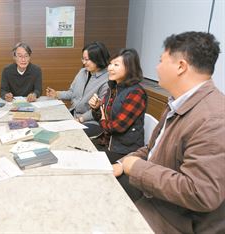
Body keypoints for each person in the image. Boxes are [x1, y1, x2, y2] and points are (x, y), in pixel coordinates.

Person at [113, 32, 225, 233]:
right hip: (155, 197)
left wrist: (136, 167)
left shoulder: (214, 119)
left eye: (160, 61)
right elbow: (151, 149)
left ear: (181, 66)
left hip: (174, 219)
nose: (156, 67)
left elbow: (200, 193)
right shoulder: (179, 101)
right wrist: (123, 163)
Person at [89, 48, 147, 164]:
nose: (110, 68)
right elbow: (103, 117)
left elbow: (117, 127)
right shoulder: (114, 87)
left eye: (116, 65)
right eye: (110, 64)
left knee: (87, 162)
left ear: (130, 68)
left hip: (124, 150)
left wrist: (103, 121)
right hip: (108, 141)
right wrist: (96, 109)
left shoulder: (136, 92)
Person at [46, 42, 110, 136]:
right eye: (83, 59)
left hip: (91, 122)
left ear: (98, 59)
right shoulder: (82, 72)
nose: (84, 62)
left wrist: (80, 119)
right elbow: (72, 93)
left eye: (87, 59)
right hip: (74, 115)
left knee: (69, 135)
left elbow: (100, 109)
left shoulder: (107, 80)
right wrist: (57, 94)